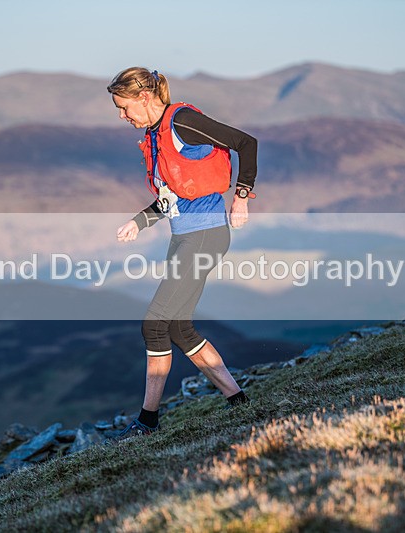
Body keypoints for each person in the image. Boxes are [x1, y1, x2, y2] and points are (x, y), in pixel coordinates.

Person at [106, 67, 258, 441]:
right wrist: (139, 222)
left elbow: (246, 143)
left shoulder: (183, 122)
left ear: (143, 97)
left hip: (204, 237)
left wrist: (240, 199)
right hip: (185, 237)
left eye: (124, 108)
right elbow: (173, 197)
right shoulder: (156, 134)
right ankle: (238, 399)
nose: (123, 116)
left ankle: (147, 421)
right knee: (178, 327)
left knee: (154, 325)